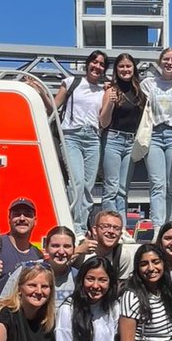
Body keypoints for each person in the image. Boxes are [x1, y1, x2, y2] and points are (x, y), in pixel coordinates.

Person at [55, 50, 114, 235]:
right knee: (77, 182)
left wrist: (110, 99)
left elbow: (104, 121)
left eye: (102, 64)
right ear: (87, 64)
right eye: (94, 62)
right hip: (72, 135)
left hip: (93, 137)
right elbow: (54, 106)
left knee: (89, 186)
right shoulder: (72, 82)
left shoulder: (104, 90)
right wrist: (39, 91)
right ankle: (75, 226)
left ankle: (81, 225)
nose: (97, 66)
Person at [140, 46, 172, 227]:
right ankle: (158, 228)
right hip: (154, 135)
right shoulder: (148, 84)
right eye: (166, 59)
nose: (169, 63)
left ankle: (171, 227)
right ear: (160, 62)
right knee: (157, 184)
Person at [100, 52, 145, 216]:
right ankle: (108, 225)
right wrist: (111, 102)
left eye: (128, 66)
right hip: (112, 138)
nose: (125, 69)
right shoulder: (111, 89)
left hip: (131, 141)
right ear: (116, 69)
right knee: (111, 186)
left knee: (123, 189)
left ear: (133, 68)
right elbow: (103, 121)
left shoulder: (140, 90)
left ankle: (121, 226)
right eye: (121, 66)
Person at [0, 198, 44, 306]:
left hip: (20, 319)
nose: (22, 218)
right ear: (9, 219)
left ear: (35, 220)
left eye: (27, 214)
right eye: (16, 214)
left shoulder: (37, 255)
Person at [76, 209, 133, 282]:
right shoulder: (81, 250)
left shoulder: (122, 254)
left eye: (116, 228)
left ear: (120, 234)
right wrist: (77, 251)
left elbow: (122, 286)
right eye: (106, 226)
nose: (111, 231)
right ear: (94, 230)